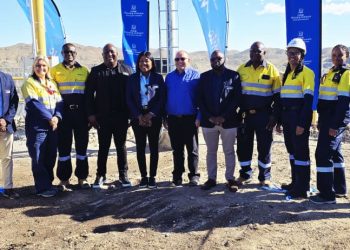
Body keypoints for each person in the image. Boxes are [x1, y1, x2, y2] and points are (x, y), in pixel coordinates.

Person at [85, 43, 132, 188]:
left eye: (112, 52)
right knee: (103, 147)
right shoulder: (96, 71)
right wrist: (91, 115)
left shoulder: (127, 70)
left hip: (122, 117)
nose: (109, 55)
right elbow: (88, 95)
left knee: (121, 147)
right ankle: (100, 175)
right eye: (106, 53)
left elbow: (131, 95)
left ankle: (123, 176)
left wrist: (131, 115)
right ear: (103, 55)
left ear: (117, 54)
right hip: (102, 118)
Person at [235, 41, 281, 188]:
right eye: (252, 51)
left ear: (264, 53)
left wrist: (275, 116)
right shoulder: (241, 69)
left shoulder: (272, 70)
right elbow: (236, 95)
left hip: (264, 116)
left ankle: (264, 177)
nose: (255, 53)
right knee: (243, 145)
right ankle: (245, 174)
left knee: (265, 146)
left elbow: (278, 97)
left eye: (258, 51)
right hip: (245, 116)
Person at [310, 45, 350, 204]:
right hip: (326, 121)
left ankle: (326, 194)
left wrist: (335, 125)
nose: (337, 58)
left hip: (335, 122)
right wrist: (320, 120)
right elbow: (323, 100)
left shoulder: (346, 74)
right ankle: (339, 189)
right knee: (335, 154)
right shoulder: (328, 74)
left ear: (346, 56)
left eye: (340, 55)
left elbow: (343, 103)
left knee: (323, 154)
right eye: (334, 55)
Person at [198, 50, 242, 191]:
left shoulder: (234, 76)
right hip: (208, 121)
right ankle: (211, 179)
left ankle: (230, 179)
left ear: (225, 59)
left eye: (218, 58)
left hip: (228, 121)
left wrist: (224, 116)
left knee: (229, 151)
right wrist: (210, 117)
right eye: (212, 59)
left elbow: (236, 99)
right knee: (211, 151)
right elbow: (200, 100)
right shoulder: (204, 77)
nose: (215, 60)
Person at [277, 38, 315, 199]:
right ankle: (295, 182)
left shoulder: (307, 73)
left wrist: (302, 123)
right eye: (289, 52)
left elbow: (308, 102)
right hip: (287, 118)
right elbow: (282, 99)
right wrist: (279, 121)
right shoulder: (287, 74)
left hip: (298, 118)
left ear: (302, 55)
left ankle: (303, 187)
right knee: (292, 151)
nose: (292, 55)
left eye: (296, 53)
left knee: (301, 152)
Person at [21, 56, 63, 197]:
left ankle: (49, 184)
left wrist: (57, 117)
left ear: (48, 67)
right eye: (38, 66)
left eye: (44, 65)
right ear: (34, 68)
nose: (41, 68)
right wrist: (50, 118)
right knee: (38, 157)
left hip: (52, 126)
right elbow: (33, 104)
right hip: (37, 127)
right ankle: (42, 188)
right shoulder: (29, 83)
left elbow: (59, 103)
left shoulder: (51, 83)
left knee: (51, 156)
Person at [50, 43, 90, 190]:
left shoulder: (84, 70)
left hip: (81, 115)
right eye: (66, 52)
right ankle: (64, 179)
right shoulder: (54, 71)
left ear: (76, 54)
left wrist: (89, 115)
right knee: (64, 148)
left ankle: (82, 178)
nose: (69, 55)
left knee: (82, 148)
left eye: (72, 52)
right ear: (62, 53)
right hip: (64, 115)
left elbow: (89, 95)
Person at [126, 51, 165, 189]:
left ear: (152, 63)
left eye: (147, 60)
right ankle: (144, 177)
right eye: (141, 61)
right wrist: (139, 116)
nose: (144, 63)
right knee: (140, 147)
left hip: (154, 116)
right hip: (138, 117)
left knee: (154, 147)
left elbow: (161, 98)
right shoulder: (132, 79)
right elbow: (129, 99)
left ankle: (152, 177)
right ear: (138, 63)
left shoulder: (158, 78)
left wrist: (151, 114)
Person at [164, 50, 201, 187]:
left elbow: (201, 98)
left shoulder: (196, 76)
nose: (180, 61)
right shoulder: (169, 77)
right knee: (177, 149)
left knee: (192, 149)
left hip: (190, 118)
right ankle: (177, 176)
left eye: (183, 59)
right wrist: (165, 117)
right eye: (177, 59)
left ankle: (194, 176)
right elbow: (165, 97)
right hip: (173, 118)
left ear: (188, 60)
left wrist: (199, 117)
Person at [0, 70, 19, 199]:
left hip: (5, 126)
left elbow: (14, 101)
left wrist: (6, 120)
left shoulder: (7, 78)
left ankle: (8, 188)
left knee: (7, 158)